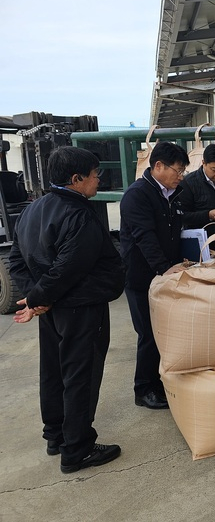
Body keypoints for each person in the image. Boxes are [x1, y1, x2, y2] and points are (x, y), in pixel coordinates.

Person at [9, 146, 125, 474]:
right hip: (80, 307)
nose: (98, 180)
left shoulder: (33, 210)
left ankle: (56, 434)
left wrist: (37, 297)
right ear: (76, 179)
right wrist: (38, 299)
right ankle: (77, 448)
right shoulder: (78, 214)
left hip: (55, 308)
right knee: (80, 376)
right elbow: (68, 267)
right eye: (94, 175)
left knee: (54, 371)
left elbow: (17, 261)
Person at [120, 141, 189, 410]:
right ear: (158, 166)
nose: (180, 176)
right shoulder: (138, 195)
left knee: (163, 331)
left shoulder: (171, 193)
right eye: (178, 170)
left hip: (164, 274)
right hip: (142, 277)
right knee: (148, 333)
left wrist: (177, 261)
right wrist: (163, 267)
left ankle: (158, 382)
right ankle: (143, 389)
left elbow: (173, 232)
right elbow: (144, 237)